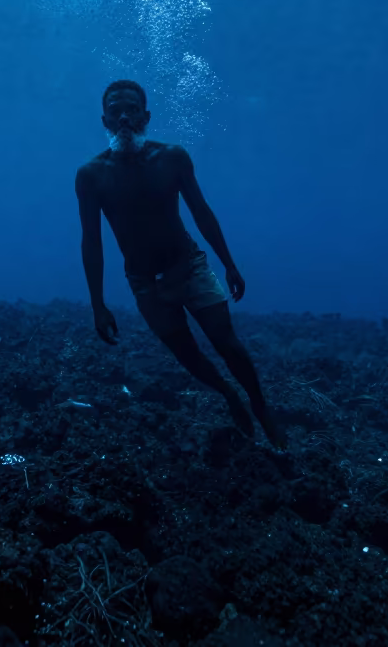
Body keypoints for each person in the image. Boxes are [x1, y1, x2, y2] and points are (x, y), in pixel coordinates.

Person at [74, 79, 287, 449]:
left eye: (132, 109)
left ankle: (260, 406)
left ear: (146, 116)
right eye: (115, 110)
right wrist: (97, 304)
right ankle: (228, 395)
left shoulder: (172, 158)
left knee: (228, 344)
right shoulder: (91, 176)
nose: (124, 116)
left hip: (189, 266)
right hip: (145, 284)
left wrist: (229, 264)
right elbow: (92, 242)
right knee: (187, 354)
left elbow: (202, 213)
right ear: (104, 119)